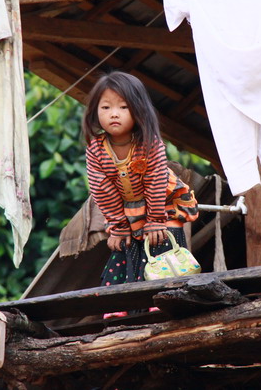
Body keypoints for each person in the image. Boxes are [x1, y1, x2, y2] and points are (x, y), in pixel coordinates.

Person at [82, 71, 199, 305]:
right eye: (105, 108)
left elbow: (156, 182)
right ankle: (126, 305)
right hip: (129, 210)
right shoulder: (95, 150)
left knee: (162, 242)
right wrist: (118, 226)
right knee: (127, 247)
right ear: (95, 112)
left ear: (138, 110)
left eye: (123, 107)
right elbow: (102, 191)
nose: (114, 114)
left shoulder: (149, 143)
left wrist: (155, 219)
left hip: (163, 205)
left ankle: (169, 299)